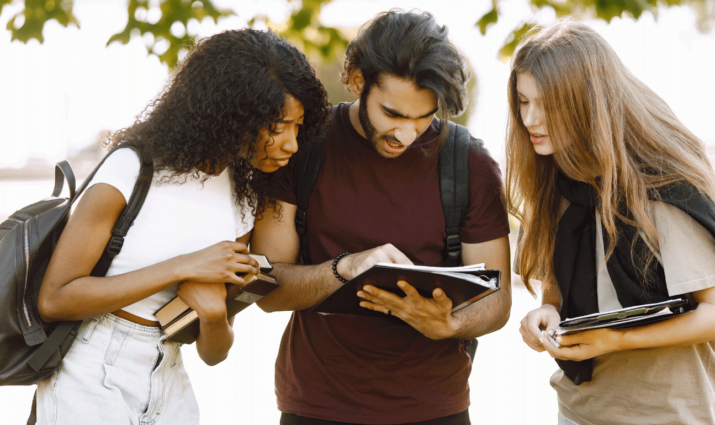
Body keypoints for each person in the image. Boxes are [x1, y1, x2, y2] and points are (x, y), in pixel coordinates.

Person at [33, 28, 330, 425]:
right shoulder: (132, 169)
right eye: (277, 126)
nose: (292, 144)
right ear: (233, 113)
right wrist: (181, 267)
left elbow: (213, 353)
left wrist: (211, 319)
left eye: (298, 126)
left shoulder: (241, 195)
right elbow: (54, 299)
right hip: (88, 369)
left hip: (167, 375)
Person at [251, 10, 512, 425]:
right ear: (356, 80)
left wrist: (448, 324)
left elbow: (497, 301)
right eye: (392, 114)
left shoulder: (470, 164)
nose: (407, 135)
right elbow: (266, 288)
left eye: (423, 117)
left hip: (434, 408)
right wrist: (347, 267)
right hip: (316, 406)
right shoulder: (304, 150)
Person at [510, 20, 715, 425]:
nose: (530, 119)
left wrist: (616, 339)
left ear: (589, 101)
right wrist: (545, 313)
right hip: (577, 412)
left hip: (667, 416)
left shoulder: (664, 189)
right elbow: (556, 292)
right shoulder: (558, 188)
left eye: (547, 104)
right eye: (522, 101)